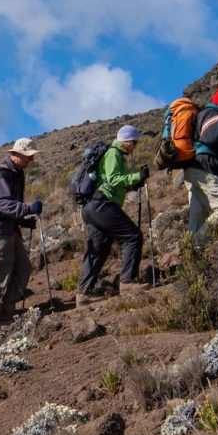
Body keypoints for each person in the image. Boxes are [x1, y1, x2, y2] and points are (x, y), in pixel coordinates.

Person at [76, 125, 149, 307]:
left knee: (99, 249)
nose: (135, 146)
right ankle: (127, 282)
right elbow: (114, 179)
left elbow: (113, 182)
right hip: (102, 205)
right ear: (128, 140)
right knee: (133, 237)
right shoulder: (114, 153)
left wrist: (133, 184)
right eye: (134, 142)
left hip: (92, 207)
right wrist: (136, 176)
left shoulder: (113, 154)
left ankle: (83, 294)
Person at [0, 138, 43, 328]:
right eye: (28, 157)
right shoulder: (2, 174)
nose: (30, 161)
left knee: (23, 270)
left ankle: (7, 312)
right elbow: (4, 203)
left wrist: (23, 221)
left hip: (10, 230)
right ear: (17, 155)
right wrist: (27, 209)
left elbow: (8, 205)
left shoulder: (17, 173)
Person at [183, 85, 218, 242]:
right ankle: (197, 243)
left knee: (197, 217)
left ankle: (192, 254)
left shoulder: (201, 115)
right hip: (205, 169)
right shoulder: (214, 114)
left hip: (191, 170)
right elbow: (213, 138)